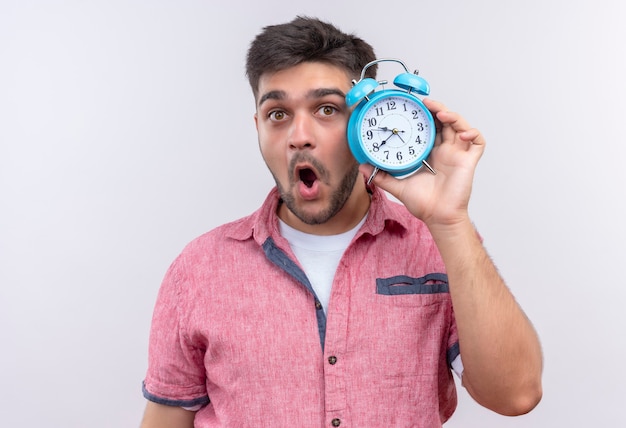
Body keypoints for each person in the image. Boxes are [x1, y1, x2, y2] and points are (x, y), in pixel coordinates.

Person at [140, 16, 543, 428]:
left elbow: (516, 395)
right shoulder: (198, 268)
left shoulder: (436, 244)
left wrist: (451, 222)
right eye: (277, 113)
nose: (299, 135)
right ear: (258, 126)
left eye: (326, 109)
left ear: (365, 120)